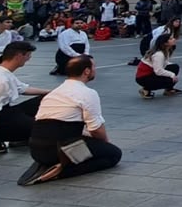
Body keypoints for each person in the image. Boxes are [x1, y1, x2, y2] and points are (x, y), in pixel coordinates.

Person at [19, 56, 121, 186]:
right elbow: (96, 129)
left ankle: (53, 165)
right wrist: (106, 144)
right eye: (94, 67)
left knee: (92, 146)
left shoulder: (55, 92)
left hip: (36, 149)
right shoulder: (87, 93)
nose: (95, 70)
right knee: (113, 155)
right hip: (59, 149)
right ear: (87, 71)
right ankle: (60, 171)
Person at [0, 42, 49, 161]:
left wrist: (52, 92)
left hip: (6, 112)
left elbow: (22, 88)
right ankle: (4, 138)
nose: (29, 59)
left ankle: (22, 134)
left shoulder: (2, 72)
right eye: (28, 55)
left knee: (47, 99)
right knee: (46, 128)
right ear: (19, 56)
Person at [136, 33, 182, 98]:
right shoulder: (159, 54)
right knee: (169, 80)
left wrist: (171, 71)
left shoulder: (165, 51)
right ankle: (146, 89)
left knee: (174, 67)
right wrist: (172, 75)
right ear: (165, 43)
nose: (174, 39)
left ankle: (169, 89)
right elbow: (158, 71)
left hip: (150, 74)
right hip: (143, 78)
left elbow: (165, 63)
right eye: (171, 39)